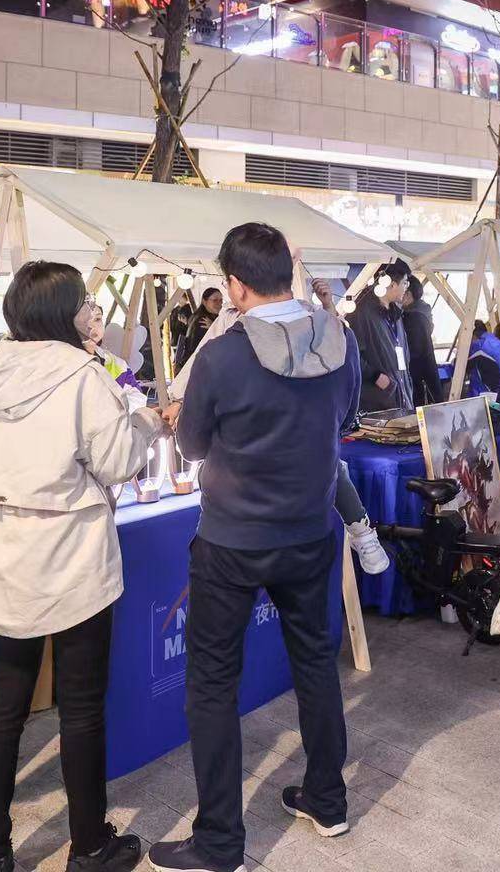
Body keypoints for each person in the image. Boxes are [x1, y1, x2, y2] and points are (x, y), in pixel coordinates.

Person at [154, 224, 361, 872]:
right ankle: (327, 800)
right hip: (310, 531)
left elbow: (191, 445)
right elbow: (346, 419)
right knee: (316, 663)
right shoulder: (340, 339)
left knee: (213, 682)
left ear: (236, 286)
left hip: (232, 539)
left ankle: (220, 842)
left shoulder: (223, 356)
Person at [0, 261, 165, 872]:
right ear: (62, 312)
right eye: (82, 304)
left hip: (2, 552)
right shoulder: (82, 375)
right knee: (80, 709)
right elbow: (119, 460)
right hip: (73, 557)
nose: (88, 314)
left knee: (3, 710)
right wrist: (147, 420)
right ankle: (90, 847)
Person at [166, 279, 391, 579]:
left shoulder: (304, 315)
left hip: (291, 427)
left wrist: (327, 308)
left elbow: (334, 348)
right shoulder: (228, 325)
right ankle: (361, 531)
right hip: (253, 449)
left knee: (328, 462)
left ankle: (361, 529)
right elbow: (200, 363)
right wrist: (179, 397)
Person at [348, 259, 414, 414]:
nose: (406, 287)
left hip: (401, 397)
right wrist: (376, 376)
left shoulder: (396, 315)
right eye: (405, 283)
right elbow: (351, 354)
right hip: (377, 405)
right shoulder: (361, 312)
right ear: (392, 284)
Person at [401, 277, 444, 407]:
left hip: (419, 382)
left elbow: (414, 352)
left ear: (408, 294)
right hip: (428, 379)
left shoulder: (412, 318)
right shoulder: (423, 313)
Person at [176, 287, 224, 369]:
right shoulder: (203, 321)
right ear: (204, 302)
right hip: (200, 366)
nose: (219, 304)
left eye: (221, 300)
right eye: (215, 300)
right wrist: (214, 328)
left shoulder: (198, 315)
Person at [466, 319, 500, 395]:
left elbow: (465, 362)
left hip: (495, 387)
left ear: (474, 335)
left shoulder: (480, 344)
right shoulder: (494, 339)